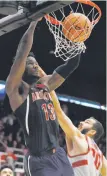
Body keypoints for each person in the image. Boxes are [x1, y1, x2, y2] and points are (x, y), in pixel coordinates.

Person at [5, 17, 82, 176]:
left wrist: (76, 40)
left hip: (59, 155)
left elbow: (71, 65)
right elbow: (22, 51)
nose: (34, 65)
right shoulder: (17, 90)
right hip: (39, 160)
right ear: (21, 68)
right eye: (30, 63)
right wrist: (33, 22)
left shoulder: (45, 85)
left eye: (35, 63)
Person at [50, 91, 107, 176]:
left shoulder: (81, 138)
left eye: (86, 122)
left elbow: (59, 113)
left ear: (92, 132)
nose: (81, 122)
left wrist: (49, 89)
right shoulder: (101, 157)